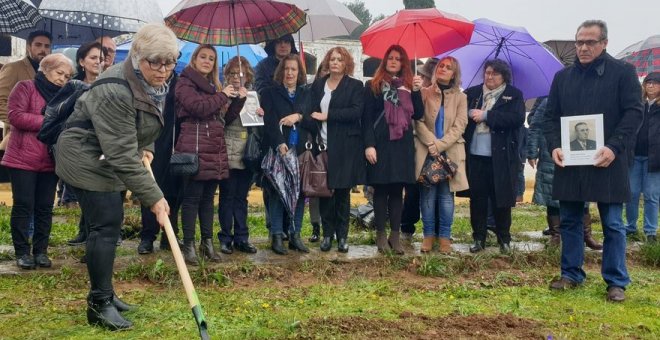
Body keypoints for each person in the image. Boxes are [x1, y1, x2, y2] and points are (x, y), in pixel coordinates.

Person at [55, 23, 178, 330]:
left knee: (110, 222)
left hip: (108, 153)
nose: (163, 70)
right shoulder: (114, 88)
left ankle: (107, 294)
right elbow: (122, 154)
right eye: (155, 63)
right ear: (137, 57)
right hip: (84, 155)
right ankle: (99, 304)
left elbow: (146, 120)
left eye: (169, 62)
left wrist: (147, 147)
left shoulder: (152, 80)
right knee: (105, 225)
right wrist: (155, 197)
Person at [543, 20, 643, 302]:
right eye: (579, 42)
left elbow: (634, 114)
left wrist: (613, 147)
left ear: (604, 43)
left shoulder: (624, 73)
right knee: (571, 221)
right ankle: (571, 273)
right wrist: (554, 147)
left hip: (608, 161)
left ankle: (616, 281)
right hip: (571, 162)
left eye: (590, 42)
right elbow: (550, 118)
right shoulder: (562, 77)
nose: (584, 47)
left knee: (612, 223)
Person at [2, 53, 73, 270]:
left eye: (68, 76)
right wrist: (50, 121)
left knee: (44, 207)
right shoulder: (25, 88)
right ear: (46, 69)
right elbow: (16, 116)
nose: (63, 79)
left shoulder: (65, 96)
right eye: (60, 73)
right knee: (23, 205)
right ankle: (22, 252)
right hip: (22, 158)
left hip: (50, 159)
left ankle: (41, 251)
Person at [175, 44, 236, 265]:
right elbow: (198, 108)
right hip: (195, 147)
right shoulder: (185, 83)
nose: (207, 61)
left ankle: (207, 242)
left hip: (214, 147)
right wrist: (222, 95)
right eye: (203, 57)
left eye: (211, 58)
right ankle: (189, 244)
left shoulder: (213, 86)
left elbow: (224, 119)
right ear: (194, 59)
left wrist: (237, 99)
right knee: (191, 199)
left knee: (209, 199)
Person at [362, 45, 423, 255]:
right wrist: (369, 145)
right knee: (381, 189)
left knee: (398, 191)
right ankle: (380, 235)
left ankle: (394, 237)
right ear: (385, 61)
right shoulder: (373, 86)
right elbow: (367, 119)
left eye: (398, 59)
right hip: (380, 143)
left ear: (404, 63)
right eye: (390, 58)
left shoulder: (408, 87)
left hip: (402, 144)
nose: (394, 61)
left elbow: (418, 115)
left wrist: (416, 92)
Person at [463, 59, 525, 254]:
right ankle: (478, 237)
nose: (489, 77)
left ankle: (504, 238)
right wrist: (468, 113)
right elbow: (459, 115)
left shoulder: (514, 95)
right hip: (475, 155)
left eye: (495, 74)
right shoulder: (472, 93)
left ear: (504, 77)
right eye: (487, 73)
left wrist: (487, 116)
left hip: (502, 157)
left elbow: (516, 119)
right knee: (478, 199)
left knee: (502, 200)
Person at [307, 47, 365, 253]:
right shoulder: (319, 85)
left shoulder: (355, 86)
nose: (335, 63)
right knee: (324, 192)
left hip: (345, 147)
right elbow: (311, 110)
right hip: (322, 146)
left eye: (339, 60)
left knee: (342, 193)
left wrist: (328, 115)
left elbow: (356, 112)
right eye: (332, 59)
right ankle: (326, 235)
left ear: (346, 64)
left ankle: (342, 237)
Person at [527, 98, 603, 250]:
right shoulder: (548, 101)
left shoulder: (587, 97)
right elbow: (535, 126)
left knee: (583, 193)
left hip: (580, 155)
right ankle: (556, 235)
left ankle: (586, 234)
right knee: (552, 194)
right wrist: (532, 152)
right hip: (552, 152)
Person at [413, 56, 468, 253]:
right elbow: (417, 121)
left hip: (450, 152)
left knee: (446, 196)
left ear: (454, 73)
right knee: (427, 195)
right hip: (427, 151)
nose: (443, 69)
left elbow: (460, 125)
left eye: (448, 67)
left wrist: (441, 145)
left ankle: (444, 237)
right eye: (441, 66)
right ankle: (428, 236)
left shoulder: (461, 97)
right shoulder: (424, 93)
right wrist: (431, 143)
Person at [261, 54, 311, 255]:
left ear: (299, 73)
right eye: (287, 69)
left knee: (299, 194)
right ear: (281, 71)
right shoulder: (270, 93)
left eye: (294, 69)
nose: (290, 73)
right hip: (279, 150)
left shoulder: (306, 93)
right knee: (278, 192)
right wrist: (279, 142)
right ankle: (276, 235)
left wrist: (299, 116)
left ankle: (295, 234)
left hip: (300, 150)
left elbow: (313, 121)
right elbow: (269, 122)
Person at [217, 56, 261, 255]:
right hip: (227, 148)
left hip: (246, 152)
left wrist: (260, 114)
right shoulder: (223, 95)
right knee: (227, 196)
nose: (236, 77)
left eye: (240, 73)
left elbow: (256, 126)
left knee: (242, 197)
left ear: (248, 75)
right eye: (233, 73)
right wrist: (236, 99)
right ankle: (225, 237)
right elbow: (223, 120)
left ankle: (242, 237)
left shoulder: (253, 95)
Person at [137, 71, 184, 254]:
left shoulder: (180, 82)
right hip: (152, 141)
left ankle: (169, 235)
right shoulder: (145, 80)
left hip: (176, 141)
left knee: (174, 191)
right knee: (150, 187)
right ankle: (148, 236)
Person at [401, 58, 438, 241]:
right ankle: (407, 224)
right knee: (413, 189)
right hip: (418, 144)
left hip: (438, 147)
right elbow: (416, 118)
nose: (421, 78)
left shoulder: (442, 95)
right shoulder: (416, 92)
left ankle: (436, 228)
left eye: (424, 76)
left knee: (437, 188)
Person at [625, 71, 660, 243]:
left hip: (654, 159)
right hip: (635, 156)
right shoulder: (639, 105)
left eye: (655, 83)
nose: (651, 85)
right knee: (631, 193)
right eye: (648, 82)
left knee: (651, 195)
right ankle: (630, 227)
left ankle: (650, 231)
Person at [0, 31, 52, 147]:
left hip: (44, 139)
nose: (43, 49)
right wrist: (18, 121)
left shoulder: (51, 73)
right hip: (18, 139)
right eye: (38, 45)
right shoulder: (13, 68)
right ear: (28, 47)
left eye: (47, 46)